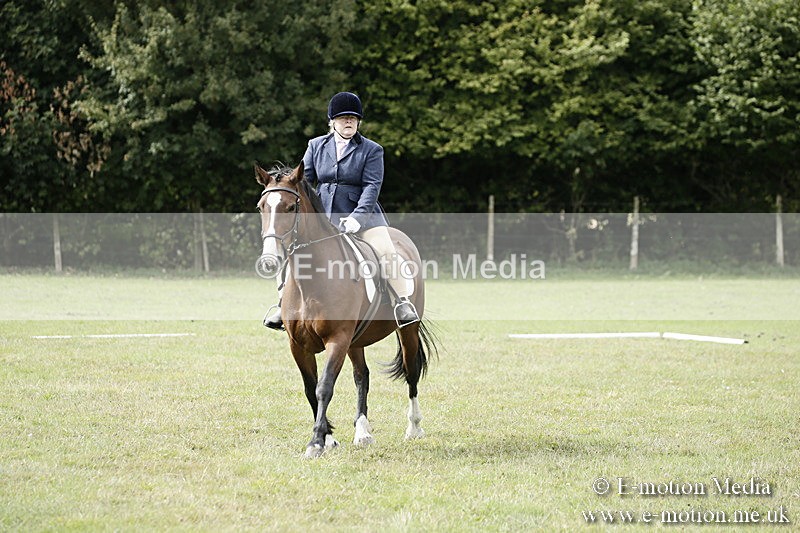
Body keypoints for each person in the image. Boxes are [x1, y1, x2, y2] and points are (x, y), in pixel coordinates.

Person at [264, 91, 419, 330]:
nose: (349, 121)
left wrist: (357, 218)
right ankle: (282, 303)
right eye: (343, 117)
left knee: (386, 251)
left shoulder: (372, 150)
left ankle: (401, 302)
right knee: (290, 248)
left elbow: (372, 187)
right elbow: (303, 182)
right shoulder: (316, 145)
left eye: (353, 118)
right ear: (332, 121)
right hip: (323, 217)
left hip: (364, 217)